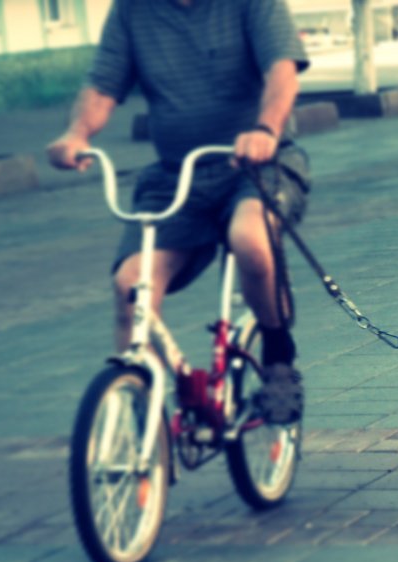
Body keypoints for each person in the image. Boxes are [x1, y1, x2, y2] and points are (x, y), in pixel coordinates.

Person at [47, 0, 310, 425]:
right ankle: (141, 434)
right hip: (175, 176)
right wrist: (76, 133)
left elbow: (281, 72)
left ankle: (279, 356)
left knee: (250, 239)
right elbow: (102, 86)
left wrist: (265, 129)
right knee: (130, 285)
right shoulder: (133, 11)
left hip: (256, 165)